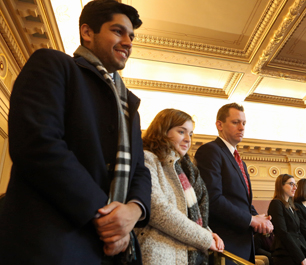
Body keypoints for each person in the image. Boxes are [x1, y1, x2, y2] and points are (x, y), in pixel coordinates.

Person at [0, 1, 152, 264]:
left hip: (112, 251)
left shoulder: (130, 104)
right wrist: (108, 217)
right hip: (52, 243)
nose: (128, 41)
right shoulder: (53, 64)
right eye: (118, 31)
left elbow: (141, 170)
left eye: (131, 36)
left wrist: (134, 210)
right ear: (87, 32)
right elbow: (38, 144)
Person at [136, 109, 224, 264]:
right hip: (159, 255)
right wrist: (205, 238)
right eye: (181, 132)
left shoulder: (185, 170)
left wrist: (209, 233)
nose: (188, 139)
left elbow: (190, 215)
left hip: (185, 255)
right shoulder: (148, 159)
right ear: (163, 131)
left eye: (190, 134)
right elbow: (158, 209)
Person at [195, 103, 273, 264]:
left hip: (243, 245)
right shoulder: (210, 151)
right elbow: (213, 199)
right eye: (235, 122)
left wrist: (257, 216)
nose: (241, 128)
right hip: (225, 246)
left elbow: (242, 201)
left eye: (244, 123)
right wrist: (251, 220)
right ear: (219, 124)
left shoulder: (240, 162)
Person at [267, 174, 306, 265]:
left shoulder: (291, 206)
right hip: (284, 256)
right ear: (281, 185)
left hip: (296, 254)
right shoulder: (276, 203)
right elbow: (283, 233)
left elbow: (298, 233)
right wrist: (301, 258)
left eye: (295, 185)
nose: (295, 187)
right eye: (291, 184)